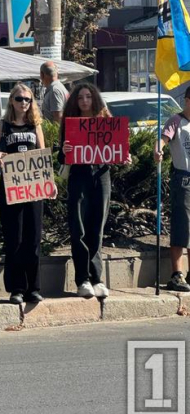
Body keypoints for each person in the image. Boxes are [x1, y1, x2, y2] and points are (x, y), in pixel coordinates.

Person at [60, 83, 124, 299]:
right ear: (75, 102)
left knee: (97, 229)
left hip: (101, 177)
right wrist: (64, 151)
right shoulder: (70, 124)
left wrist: (124, 156)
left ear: (94, 99)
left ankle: (97, 278)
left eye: (88, 97)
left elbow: (116, 151)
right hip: (78, 178)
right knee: (78, 230)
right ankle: (82, 279)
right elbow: (61, 156)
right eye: (80, 98)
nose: (85, 101)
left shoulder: (106, 121)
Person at [0, 83, 45, 305]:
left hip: (34, 189)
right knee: (15, 239)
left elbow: (42, 155)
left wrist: (50, 183)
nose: (23, 103)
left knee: (33, 239)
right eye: (19, 99)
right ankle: (17, 289)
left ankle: (34, 288)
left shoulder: (35, 126)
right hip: (11, 187)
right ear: (12, 100)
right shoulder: (4, 126)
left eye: (27, 100)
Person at [154, 86, 190, 292]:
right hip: (183, 179)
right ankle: (177, 274)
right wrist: (158, 149)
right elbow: (163, 139)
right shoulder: (176, 121)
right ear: (187, 100)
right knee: (181, 227)